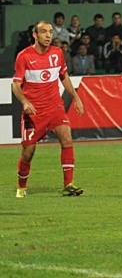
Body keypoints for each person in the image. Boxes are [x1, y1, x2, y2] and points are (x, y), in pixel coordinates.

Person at [12, 21, 85, 198]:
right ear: (35, 35)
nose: (48, 35)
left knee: (67, 138)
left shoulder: (57, 53)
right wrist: (25, 102)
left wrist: (76, 98)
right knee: (28, 153)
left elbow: (64, 76)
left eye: (50, 32)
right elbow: (15, 84)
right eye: (43, 32)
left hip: (55, 107)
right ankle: (21, 188)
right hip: (34, 112)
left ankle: (68, 185)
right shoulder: (24, 56)